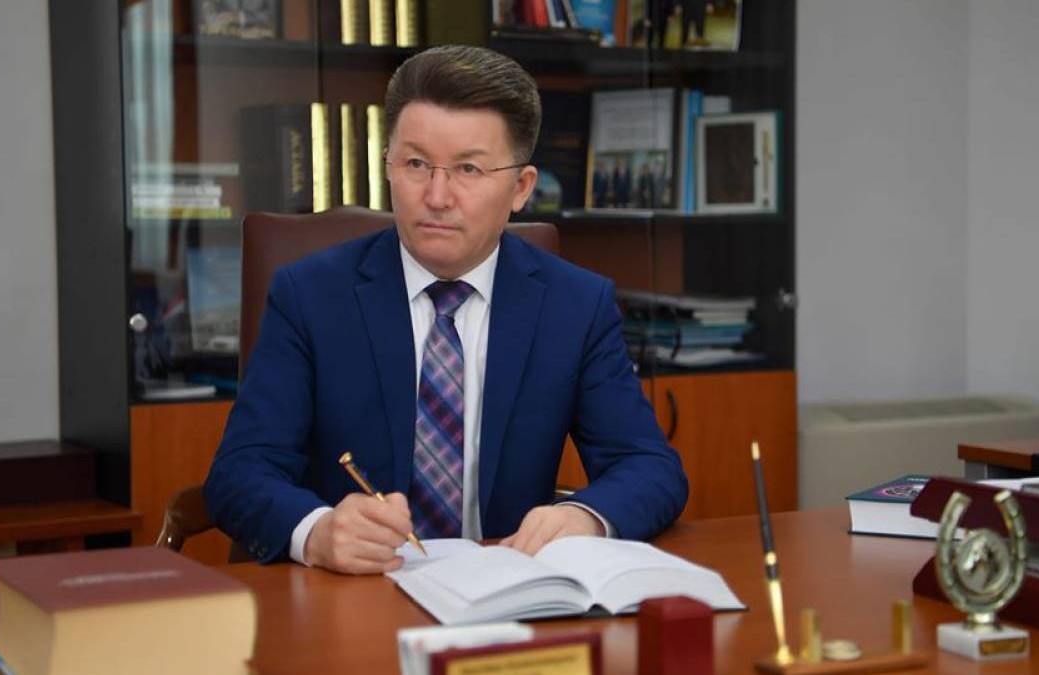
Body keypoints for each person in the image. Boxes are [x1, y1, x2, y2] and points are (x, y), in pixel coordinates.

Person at [204, 45, 688, 575]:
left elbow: (649, 466)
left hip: (504, 592)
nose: (437, 196)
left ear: (520, 188)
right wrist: (316, 532)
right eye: (416, 164)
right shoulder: (311, 295)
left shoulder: (575, 305)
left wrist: (585, 517)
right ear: (387, 166)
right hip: (353, 594)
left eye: (468, 169)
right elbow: (240, 472)